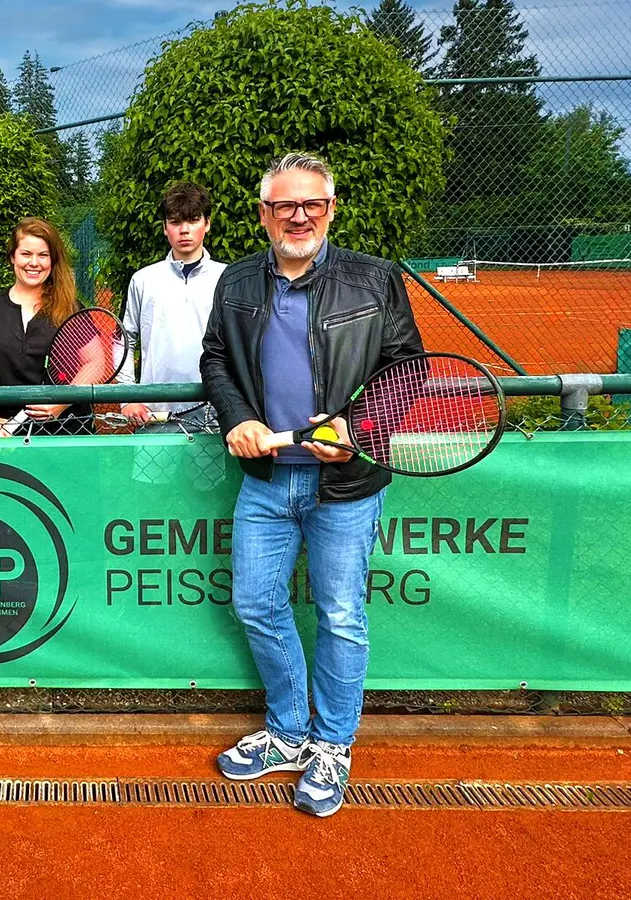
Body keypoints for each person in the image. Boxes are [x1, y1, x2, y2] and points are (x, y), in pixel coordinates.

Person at [199, 152, 423, 817]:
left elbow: (407, 367)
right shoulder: (236, 282)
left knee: (343, 613)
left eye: (311, 205)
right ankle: (290, 732)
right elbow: (216, 357)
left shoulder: (375, 279)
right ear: (263, 213)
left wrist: (359, 427)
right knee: (257, 604)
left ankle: (333, 745)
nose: (298, 216)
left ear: (331, 207)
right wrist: (237, 418)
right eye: (283, 206)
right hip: (267, 480)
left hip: (348, 485)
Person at [0, 217, 93, 437]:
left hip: (69, 434)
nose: (34, 263)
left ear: (52, 261)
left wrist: (62, 402)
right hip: (7, 439)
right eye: (26, 254)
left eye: (42, 255)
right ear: (12, 257)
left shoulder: (70, 307)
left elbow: (96, 362)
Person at [119, 182, 226, 432]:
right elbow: (124, 341)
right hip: (154, 417)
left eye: (193, 220)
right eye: (176, 222)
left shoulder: (227, 278)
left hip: (215, 415)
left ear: (207, 224)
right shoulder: (143, 279)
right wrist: (128, 399)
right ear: (165, 228)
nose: (184, 230)